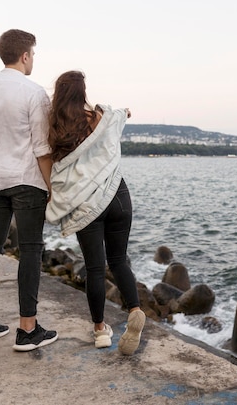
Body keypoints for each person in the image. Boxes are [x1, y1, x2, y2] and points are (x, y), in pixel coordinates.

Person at [0, 29, 58, 352]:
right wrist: (52, 186)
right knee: (31, 249)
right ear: (25, 55)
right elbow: (42, 147)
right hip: (24, 179)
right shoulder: (33, 92)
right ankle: (28, 329)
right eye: (33, 53)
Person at [45, 70, 145, 355]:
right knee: (118, 260)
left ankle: (101, 330)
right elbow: (123, 113)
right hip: (118, 195)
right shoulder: (104, 116)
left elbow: (52, 159)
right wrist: (123, 111)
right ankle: (135, 310)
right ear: (83, 91)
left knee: (94, 268)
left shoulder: (56, 125)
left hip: (88, 203)